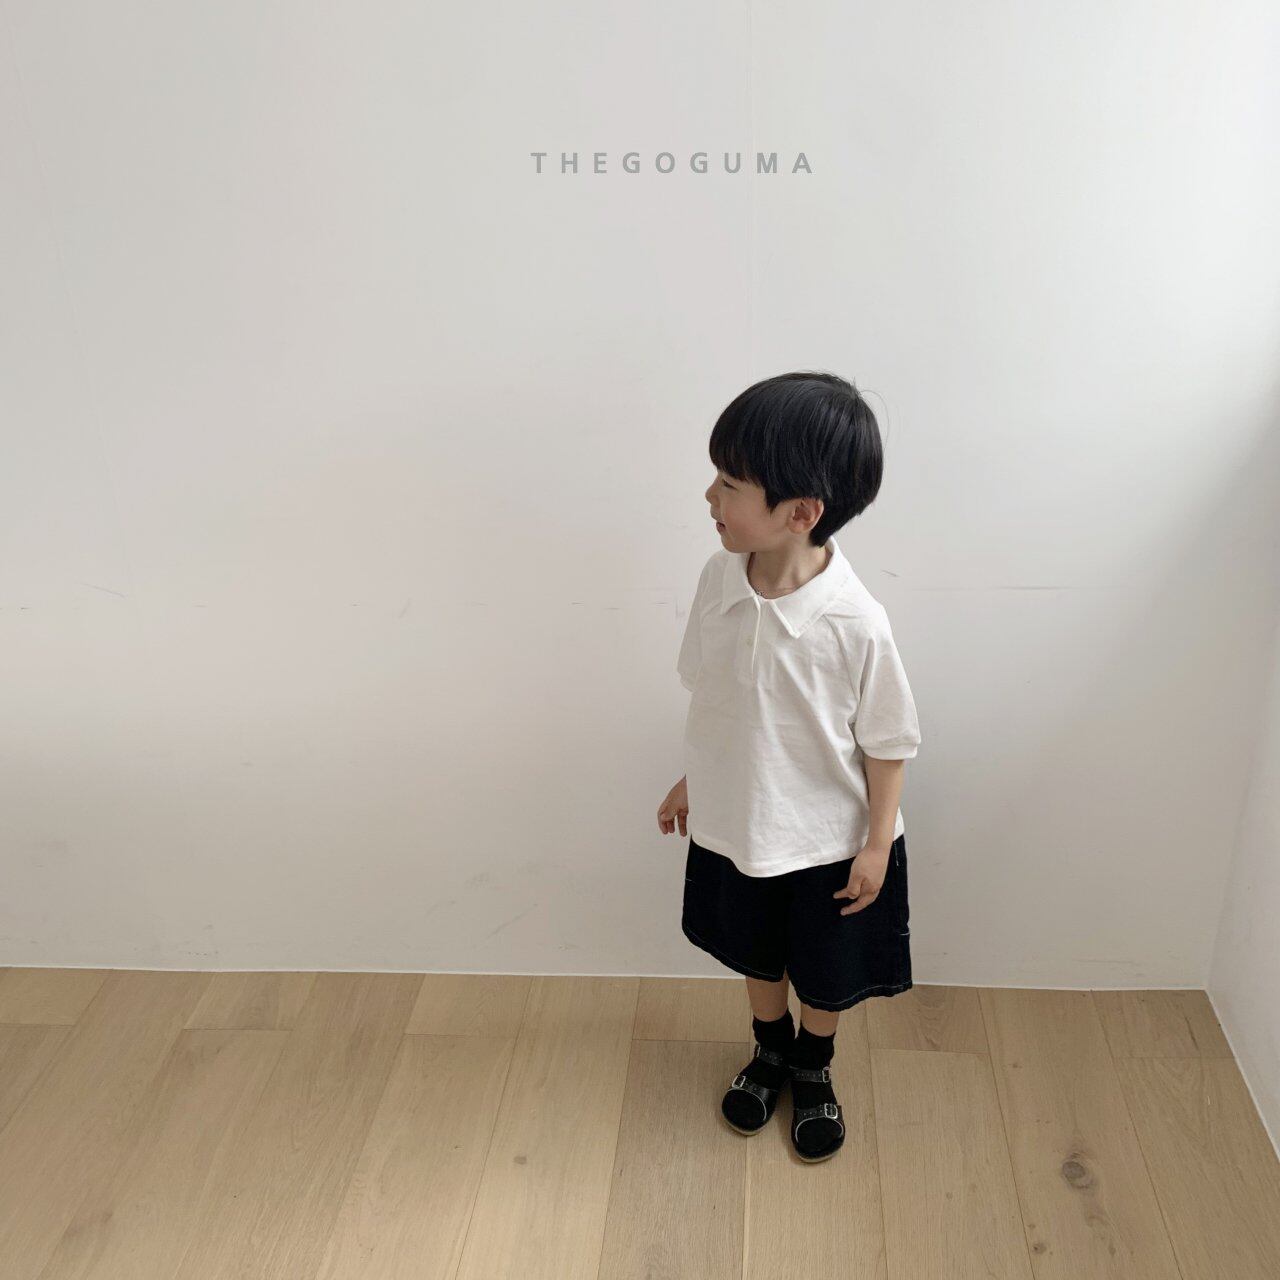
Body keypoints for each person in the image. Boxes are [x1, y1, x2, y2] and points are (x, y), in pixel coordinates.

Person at [656, 370, 921, 1164]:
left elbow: (888, 742)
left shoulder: (856, 623)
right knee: (755, 948)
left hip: (830, 843)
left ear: (800, 513)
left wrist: (876, 845)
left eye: (730, 484)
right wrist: (695, 779)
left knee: (824, 969)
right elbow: (722, 701)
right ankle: (769, 1049)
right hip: (741, 821)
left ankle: (812, 1064)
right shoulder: (718, 580)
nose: (710, 496)